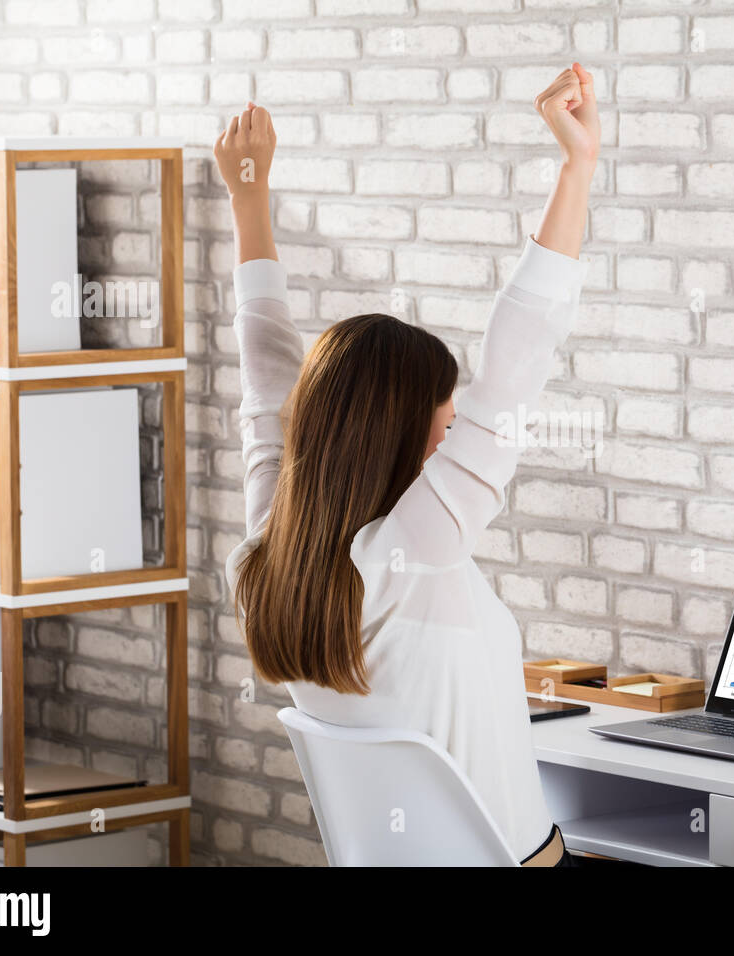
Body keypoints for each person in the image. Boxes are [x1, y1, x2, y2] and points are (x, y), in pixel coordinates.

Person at [216, 63, 599, 867]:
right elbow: (515, 363)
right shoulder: (414, 552)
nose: (454, 438)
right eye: (447, 421)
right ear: (409, 434)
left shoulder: (264, 559)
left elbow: (268, 382)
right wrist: (578, 168)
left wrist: (249, 202)